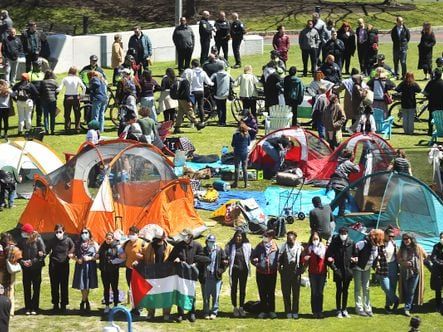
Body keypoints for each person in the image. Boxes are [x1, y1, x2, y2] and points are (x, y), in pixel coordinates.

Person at [168, 228, 208, 323]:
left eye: (184, 235)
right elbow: (170, 259)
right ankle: (180, 313)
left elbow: (202, 258)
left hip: (191, 274)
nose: (183, 237)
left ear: (190, 236)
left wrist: (196, 264)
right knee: (180, 293)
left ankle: (192, 312)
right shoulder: (178, 246)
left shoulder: (197, 245)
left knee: (191, 293)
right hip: (180, 274)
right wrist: (176, 260)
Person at [142, 228, 173, 321]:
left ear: (163, 239)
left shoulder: (170, 248)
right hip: (152, 275)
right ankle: (151, 313)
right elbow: (144, 259)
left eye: (157, 239)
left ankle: (166, 314)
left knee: (166, 295)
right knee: (151, 295)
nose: (155, 241)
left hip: (165, 276)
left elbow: (174, 258)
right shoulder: (149, 247)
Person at [352, 229, 384, 317]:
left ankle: (368, 308)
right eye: (377, 240)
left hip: (367, 268)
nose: (378, 243)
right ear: (372, 237)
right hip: (358, 268)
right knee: (358, 288)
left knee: (366, 288)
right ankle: (359, 309)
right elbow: (354, 253)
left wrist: (376, 265)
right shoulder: (362, 243)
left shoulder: (376, 246)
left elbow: (374, 257)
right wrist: (354, 259)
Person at [17, 223, 45, 315]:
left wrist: (32, 261)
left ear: (28, 232)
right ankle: (28, 307)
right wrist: (22, 262)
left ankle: (35, 307)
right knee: (26, 287)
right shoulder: (21, 241)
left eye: (24, 232)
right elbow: (17, 254)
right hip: (26, 268)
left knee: (36, 287)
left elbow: (43, 253)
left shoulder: (38, 239)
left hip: (36, 267)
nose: (22, 233)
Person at [45, 224, 75, 312]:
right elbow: (46, 250)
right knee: (54, 285)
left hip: (64, 264)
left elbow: (73, 247)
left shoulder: (68, 240)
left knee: (64, 285)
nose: (58, 233)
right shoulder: (52, 240)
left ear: (64, 232)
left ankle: (63, 304)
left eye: (60, 232)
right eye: (57, 232)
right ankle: (55, 304)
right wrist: (42, 254)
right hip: (54, 264)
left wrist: (70, 253)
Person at [326, 227, 354, 318]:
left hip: (347, 271)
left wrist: (351, 268)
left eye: (345, 233)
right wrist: (335, 269)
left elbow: (356, 256)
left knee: (345, 290)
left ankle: (344, 309)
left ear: (347, 234)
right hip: (338, 270)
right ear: (339, 234)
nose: (343, 235)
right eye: (342, 233)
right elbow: (329, 257)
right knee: (339, 290)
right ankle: (338, 309)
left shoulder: (351, 243)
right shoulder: (334, 243)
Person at [397, 233, 427, 317]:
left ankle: (407, 308)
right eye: (404, 239)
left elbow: (426, 256)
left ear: (411, 239)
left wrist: (417, 262)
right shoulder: (402, 249)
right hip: (405, 272)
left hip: (415, 272)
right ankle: (409, 305)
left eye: (407, 238)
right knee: (406, 291)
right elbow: (398, 259)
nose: (405, 240)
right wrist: (403, 262)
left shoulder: (418, 247)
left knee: (411, 290)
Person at [251, 230, 279, 319]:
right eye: (263, 236)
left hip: (272, 273)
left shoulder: (276, 247)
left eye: (266, 236)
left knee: (271, 292)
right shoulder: (259, 246)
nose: (264, 238)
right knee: (262, 292)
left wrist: (276, 265)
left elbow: (279, 258)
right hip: (261, 273)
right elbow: (252, 257)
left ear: (271, 237)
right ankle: (263, 310)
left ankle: (271, 310)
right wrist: (256, 263)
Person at [120, 226, 147, 316]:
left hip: (139, 270)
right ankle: (134, 307)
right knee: (131, 289)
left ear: (138, 234)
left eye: (133, 234)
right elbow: (121, 251)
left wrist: (141, 258)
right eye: (130, 233)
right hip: (129, 269)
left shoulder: (143, 243)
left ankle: (139, 307)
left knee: (139, 289)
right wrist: (122, 254)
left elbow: (149, 257)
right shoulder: (126, 243)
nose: (131, 235)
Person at [72, 228, 99, 314]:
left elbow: (98, 255)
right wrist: (76, 259)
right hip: (80, 266)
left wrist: (90, 258)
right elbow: (71, 254)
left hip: (90, 266)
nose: (84, 234)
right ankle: (85, 301)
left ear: (89, 234)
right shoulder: (77, 243)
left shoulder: (94, 243)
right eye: (82, 233)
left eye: (86, 232)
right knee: (82, 284)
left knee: (87, 284)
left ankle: (83, 302)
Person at [225, 230, 251, 317]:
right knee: (234, 289)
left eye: (240, 236)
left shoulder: (247, 246)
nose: (238, 238)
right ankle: (235, 307)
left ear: (243, 237)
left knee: (242, 289)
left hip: (244, 271)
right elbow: (224, 255)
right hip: (234, 271)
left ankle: (241, 307)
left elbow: (253, 254)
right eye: (237, 236)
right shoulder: (230, 246)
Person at [279, 231, 304, 319]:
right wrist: (281, 271)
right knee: (286, 293)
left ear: (295, 239)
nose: (289, 241)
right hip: (285, 274)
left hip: (296, 273)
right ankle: (288, 311)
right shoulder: (283, 248)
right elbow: (279, 260)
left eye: (291, 240)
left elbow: (302, 261)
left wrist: (301, 271)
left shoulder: (299, 248)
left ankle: (295, 311)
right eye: (288, 239)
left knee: (296, 294)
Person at [201, 235, 227, 320]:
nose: (211, 243)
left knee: (216, 296)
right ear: (207, 242)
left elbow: (226, 261)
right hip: (206, 277)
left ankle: (214, 312)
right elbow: (199, 261)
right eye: (209, 242)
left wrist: (221, 270)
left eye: (212, 242)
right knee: (206, 296)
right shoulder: (203, 250)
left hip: (216, 277)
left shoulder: (219, 250)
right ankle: (206, 312)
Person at [328, 149, 360, 216]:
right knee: (338, 200)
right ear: (351, 156)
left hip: (334, 182)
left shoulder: (340, 161)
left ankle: (340, 214)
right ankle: (326, 212)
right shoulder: (348, 163)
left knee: (341, 199)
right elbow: (357, 170)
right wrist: (356, 163)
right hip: (341, 183)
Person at [174, 69, 206, 134]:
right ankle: (197, 124)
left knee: (180, 113)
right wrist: (189, 101)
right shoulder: (186, 82)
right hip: (184, 99)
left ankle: (177, 127)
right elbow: (186, 93)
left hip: (180, 98)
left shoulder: (181, 80)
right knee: (190, 111)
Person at [304, 232, 327, 319]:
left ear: (320, 239)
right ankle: (314, 311)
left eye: (316, 239)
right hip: (313, 273)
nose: (315, 241)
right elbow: (304, 258)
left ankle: (320, 311)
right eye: (314, 239)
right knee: (314, 293)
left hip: (322, 273)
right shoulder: (309, 248)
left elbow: (324, 257)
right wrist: (306, 258)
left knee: (320, 293)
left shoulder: (323, 248)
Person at [378, 227, 400, 314]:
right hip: (383, 266)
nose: (391, 238)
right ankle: (396, 300)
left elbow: (396, 255)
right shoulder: (380, 244)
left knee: (392, 287)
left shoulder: (393, 243)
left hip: (393, 265)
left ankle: (388, 305)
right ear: (385, 235)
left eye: (393, 236)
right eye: (390, 236)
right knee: (386, 287)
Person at [57, 66, 86, 133]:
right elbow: (84, 87)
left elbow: (60, 88)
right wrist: (82, 95)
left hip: (67, 97)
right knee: (77, 113)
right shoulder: (77, 78)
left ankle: (67, 128)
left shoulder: (65, 78)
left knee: (67, 114)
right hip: (75, 97)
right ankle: (77, 128)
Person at [98, 232, 120, 314]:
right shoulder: (102, 246)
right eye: (107, 239)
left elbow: (120, 257)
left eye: (110, 239)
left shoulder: (116, 246)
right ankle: (107, 305)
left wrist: (114, 261)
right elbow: (99, 254)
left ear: (113, 239)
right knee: (106, 288)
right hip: (104, 271)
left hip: (114, 271)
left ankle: (116, 304)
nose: (108, 240)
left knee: (114, 288)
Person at [0, 232, 21, 316]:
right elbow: (19, 257)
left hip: (2, 271)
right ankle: (11, 311)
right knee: (11, 290)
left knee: (2, 290)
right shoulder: (14, 248)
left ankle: (3, 310)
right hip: (11, 271)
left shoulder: (2, 248)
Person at [424, 68, 443, 136]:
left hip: (432, 103)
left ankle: (430, 131)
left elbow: (425, 92)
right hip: (441, 104)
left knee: (431, 118)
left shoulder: (431, 82)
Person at [231, 122, 251, 188]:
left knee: (237, 167)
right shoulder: (247, 135)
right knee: (244, 167)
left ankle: (235, 183)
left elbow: (233, 144)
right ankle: (245, 183)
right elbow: (248, 144)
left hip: (237, 152)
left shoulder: (235, 135)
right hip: (244, 152)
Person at [39, 70, 58, 135]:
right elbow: (57, 91)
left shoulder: (42, 82)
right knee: (53, 116)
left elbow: (40, 91)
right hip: (53, 100)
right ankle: (52, 130)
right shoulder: (55, 82)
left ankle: (46, 130)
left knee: (45, 116)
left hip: (44, 100)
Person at [28, 60, 45, 127]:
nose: (39, 68)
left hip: (40, 95)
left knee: (39, 109)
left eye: (40, 66)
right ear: (34, 66)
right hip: (32, 95)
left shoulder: (43, 74)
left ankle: (39, 122)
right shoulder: (29, 74)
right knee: (31, 109)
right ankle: (29, 123)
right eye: (38, 66)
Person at [430, 232, 443, 315]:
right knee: (438, 289)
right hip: (438, 271)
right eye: (441, 237)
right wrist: (441, 263)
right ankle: (438, 305)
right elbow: (433, 258)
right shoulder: (436, 246)